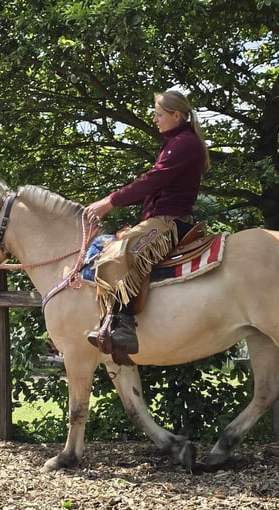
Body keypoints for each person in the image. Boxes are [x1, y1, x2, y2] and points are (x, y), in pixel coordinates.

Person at [84, 90, 209, 357]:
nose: (155, 119)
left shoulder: (184, 143)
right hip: (161, 219)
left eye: (159, 114)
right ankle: (112, 320)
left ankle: (125, 325)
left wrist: (110, 202)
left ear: (177, 115)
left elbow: (153, 181)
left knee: (120, 252)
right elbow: (153, 184)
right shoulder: (178, 141)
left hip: (168, 221)